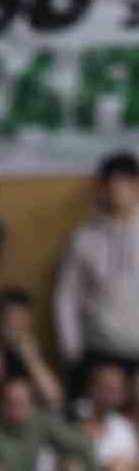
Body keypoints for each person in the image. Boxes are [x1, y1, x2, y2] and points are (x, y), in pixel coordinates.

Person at [55, 151, 139, 372]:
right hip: (101, 348)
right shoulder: (84, 238)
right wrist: (71, 348)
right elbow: (67, 296)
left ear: (136, 186)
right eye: (110, 183)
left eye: (124, 182)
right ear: (101, 188)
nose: (117, 190)